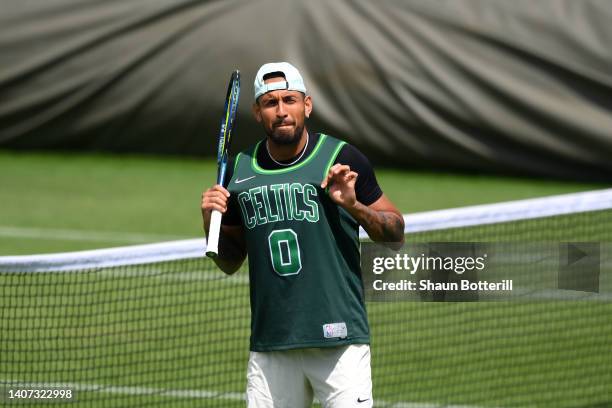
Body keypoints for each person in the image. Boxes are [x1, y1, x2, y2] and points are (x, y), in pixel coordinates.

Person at [201, 62, 404, 408]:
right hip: (272, 346)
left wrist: (355, 207)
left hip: (339, 343)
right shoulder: (239, 170)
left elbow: (395, 233)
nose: (282, 111)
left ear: (306, 105)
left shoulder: (340, 157)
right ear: (257, 112)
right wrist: (210, 221)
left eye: (290, 100)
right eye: (271, 102)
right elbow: (230, 262)